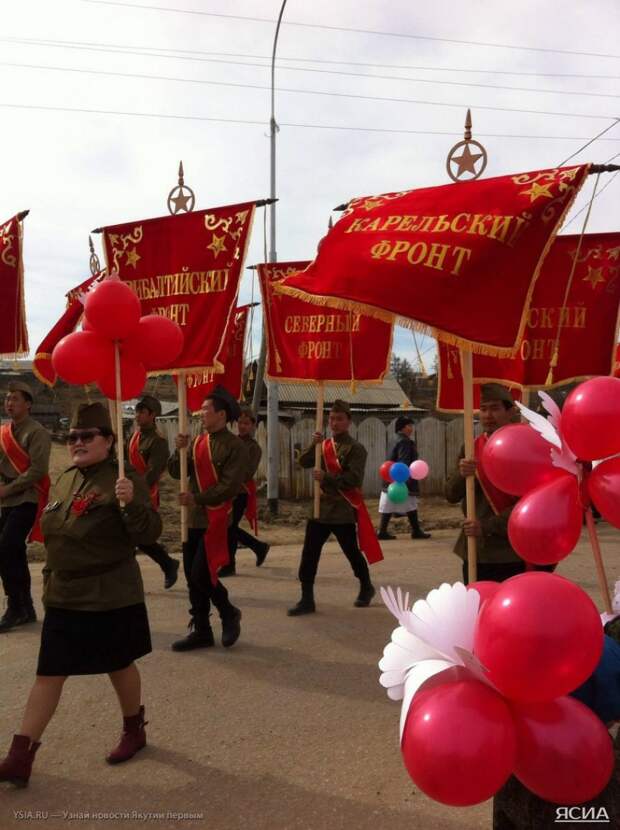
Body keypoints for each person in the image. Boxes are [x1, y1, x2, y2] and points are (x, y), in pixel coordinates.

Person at [0, 403, 162, 787]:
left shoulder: (124, 479)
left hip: (109, 594)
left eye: (87, 436)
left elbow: (150, 533)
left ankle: (133, 729)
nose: (78, 442)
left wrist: (133, 503)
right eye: (73, 436)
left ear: (108, 441)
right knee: (49, 674)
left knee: (118, 665)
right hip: (65, 594)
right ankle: (20, 756)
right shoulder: (65, 479)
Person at [168, 386, 247, 651]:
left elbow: (229, 486)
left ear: (221, 415)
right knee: (192, 576)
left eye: (206, 411)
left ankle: (228, 611)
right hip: (192, 519)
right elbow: (177, 472)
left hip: (217, 517)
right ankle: (202, 629)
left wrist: (197, 499)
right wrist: (178, 450)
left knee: (202, 574)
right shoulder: (199, 442)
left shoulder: (235, 446)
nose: (201, 414)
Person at [288, 399, 381, 616]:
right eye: (331, 419)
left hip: (342, 509)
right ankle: (306, 599)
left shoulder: (356, 449)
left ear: (348, 421)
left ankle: (366, 586)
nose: (334, 423)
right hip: (319, 510)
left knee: (351, 553)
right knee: (309, 554)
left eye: (339, 419)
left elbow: (353, 479)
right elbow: (303, 462)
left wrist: (326, 477)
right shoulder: (325, 445)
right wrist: (315, 444)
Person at [445, 383, 537, 584]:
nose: (487, 415)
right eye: (483, 409)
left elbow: (530, 503)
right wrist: (462, 474)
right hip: (475, 549)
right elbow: (450, 494)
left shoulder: (524, 447)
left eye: (495, 408)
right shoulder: (471, 447)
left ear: (510, 411)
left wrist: (486, 527)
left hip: (509, 551)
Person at [0, 381, 51, 632]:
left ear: (28, 404)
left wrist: (8, 489)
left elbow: (38, 470)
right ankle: (25, 607)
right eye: (7, 399)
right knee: (12, 552)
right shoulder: (4, 432)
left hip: (27, 498)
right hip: (7, 499)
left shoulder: (37, 432)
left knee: (7, 547)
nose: (9, 403)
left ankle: (15, 607)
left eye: (15, 399)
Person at [127, 395, 179, 589]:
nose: (138, 415)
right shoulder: (134, 437)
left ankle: (166, 564)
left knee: (137, 535)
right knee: (131, 535)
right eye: (137, 411)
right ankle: (166, 564)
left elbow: (153, 472)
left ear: (153, 415)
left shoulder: (158, 442)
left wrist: (136, 491)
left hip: (145, 494)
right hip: (128, 491)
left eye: (142, 412)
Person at [219, 406, 269, 577]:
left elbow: (247, 472)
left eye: (246, 423)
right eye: (240, 423)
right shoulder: (231, 442)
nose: (242, 426)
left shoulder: (254, 448)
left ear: (253, 425)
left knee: (230, 528)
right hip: (226, 490)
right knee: (228, 527)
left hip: (241, 491)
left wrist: (228, 478)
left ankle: (230, 565)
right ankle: (258, 547)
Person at [377, 415, 431, 541]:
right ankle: (415, 531)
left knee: (389, 505)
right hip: (401, 478)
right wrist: (405, 479)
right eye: (409, 426)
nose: (411, 428)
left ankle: (382, 531)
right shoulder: (405, 441)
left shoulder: (393, 440)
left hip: (390, 476)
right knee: (411, 504)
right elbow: (403, 460)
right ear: (402, 428)